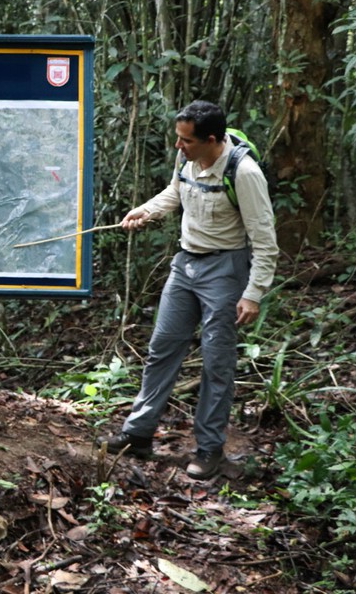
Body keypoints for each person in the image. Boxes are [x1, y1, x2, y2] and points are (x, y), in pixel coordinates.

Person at [102, 100, 277, 480]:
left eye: (186, 141)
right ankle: (138, 434)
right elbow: (174, 193)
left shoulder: (243, 173)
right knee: (162, 349)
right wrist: (145, 211)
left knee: (217, 362)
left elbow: (265, 240)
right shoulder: (188, 160)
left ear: (211, 140)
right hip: (185, 265)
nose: (178, 147)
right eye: (178, 139)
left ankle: (210, 448)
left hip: (225, 270)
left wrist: (253, 293)